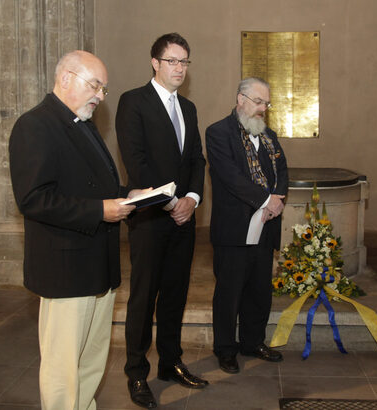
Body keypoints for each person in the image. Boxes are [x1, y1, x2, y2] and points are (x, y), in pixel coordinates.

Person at [9, 50, 145, 410]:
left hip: (98, 267)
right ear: (66, 77)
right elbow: (35, 199)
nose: (101, 96)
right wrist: (102, 210)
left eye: (104, 88)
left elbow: (90, 187)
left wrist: (127, 196)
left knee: (91, 360)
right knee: (62, 367)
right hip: (65, 269)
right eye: (95, 85)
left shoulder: (83, 125)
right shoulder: (34, 125)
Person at [116, 33, 207, 408]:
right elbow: (136, 162)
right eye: (172, 61)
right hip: (151, 218)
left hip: (184, 220)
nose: (180, 69)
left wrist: (193, 199)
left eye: (184, 62)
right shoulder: (133, 102)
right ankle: (137, 373)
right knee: (143, 297)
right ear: (155, 63)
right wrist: (171, 203)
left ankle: (170, 362)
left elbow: (197, 160)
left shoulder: (188, 109)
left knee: (175, 294)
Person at [206, 77, 288, 374]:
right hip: (234, 228)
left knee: (259, 290)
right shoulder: (218, 133)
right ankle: (226, 349)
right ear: (240, 99)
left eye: (266, 103)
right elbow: (230, 177)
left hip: (266, 227)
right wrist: (267, 200)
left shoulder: (269, 135)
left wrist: (275, 202)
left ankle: (253, 342)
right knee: (229, 293)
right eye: (258, 102)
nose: (263, 109)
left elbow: (282, 171)